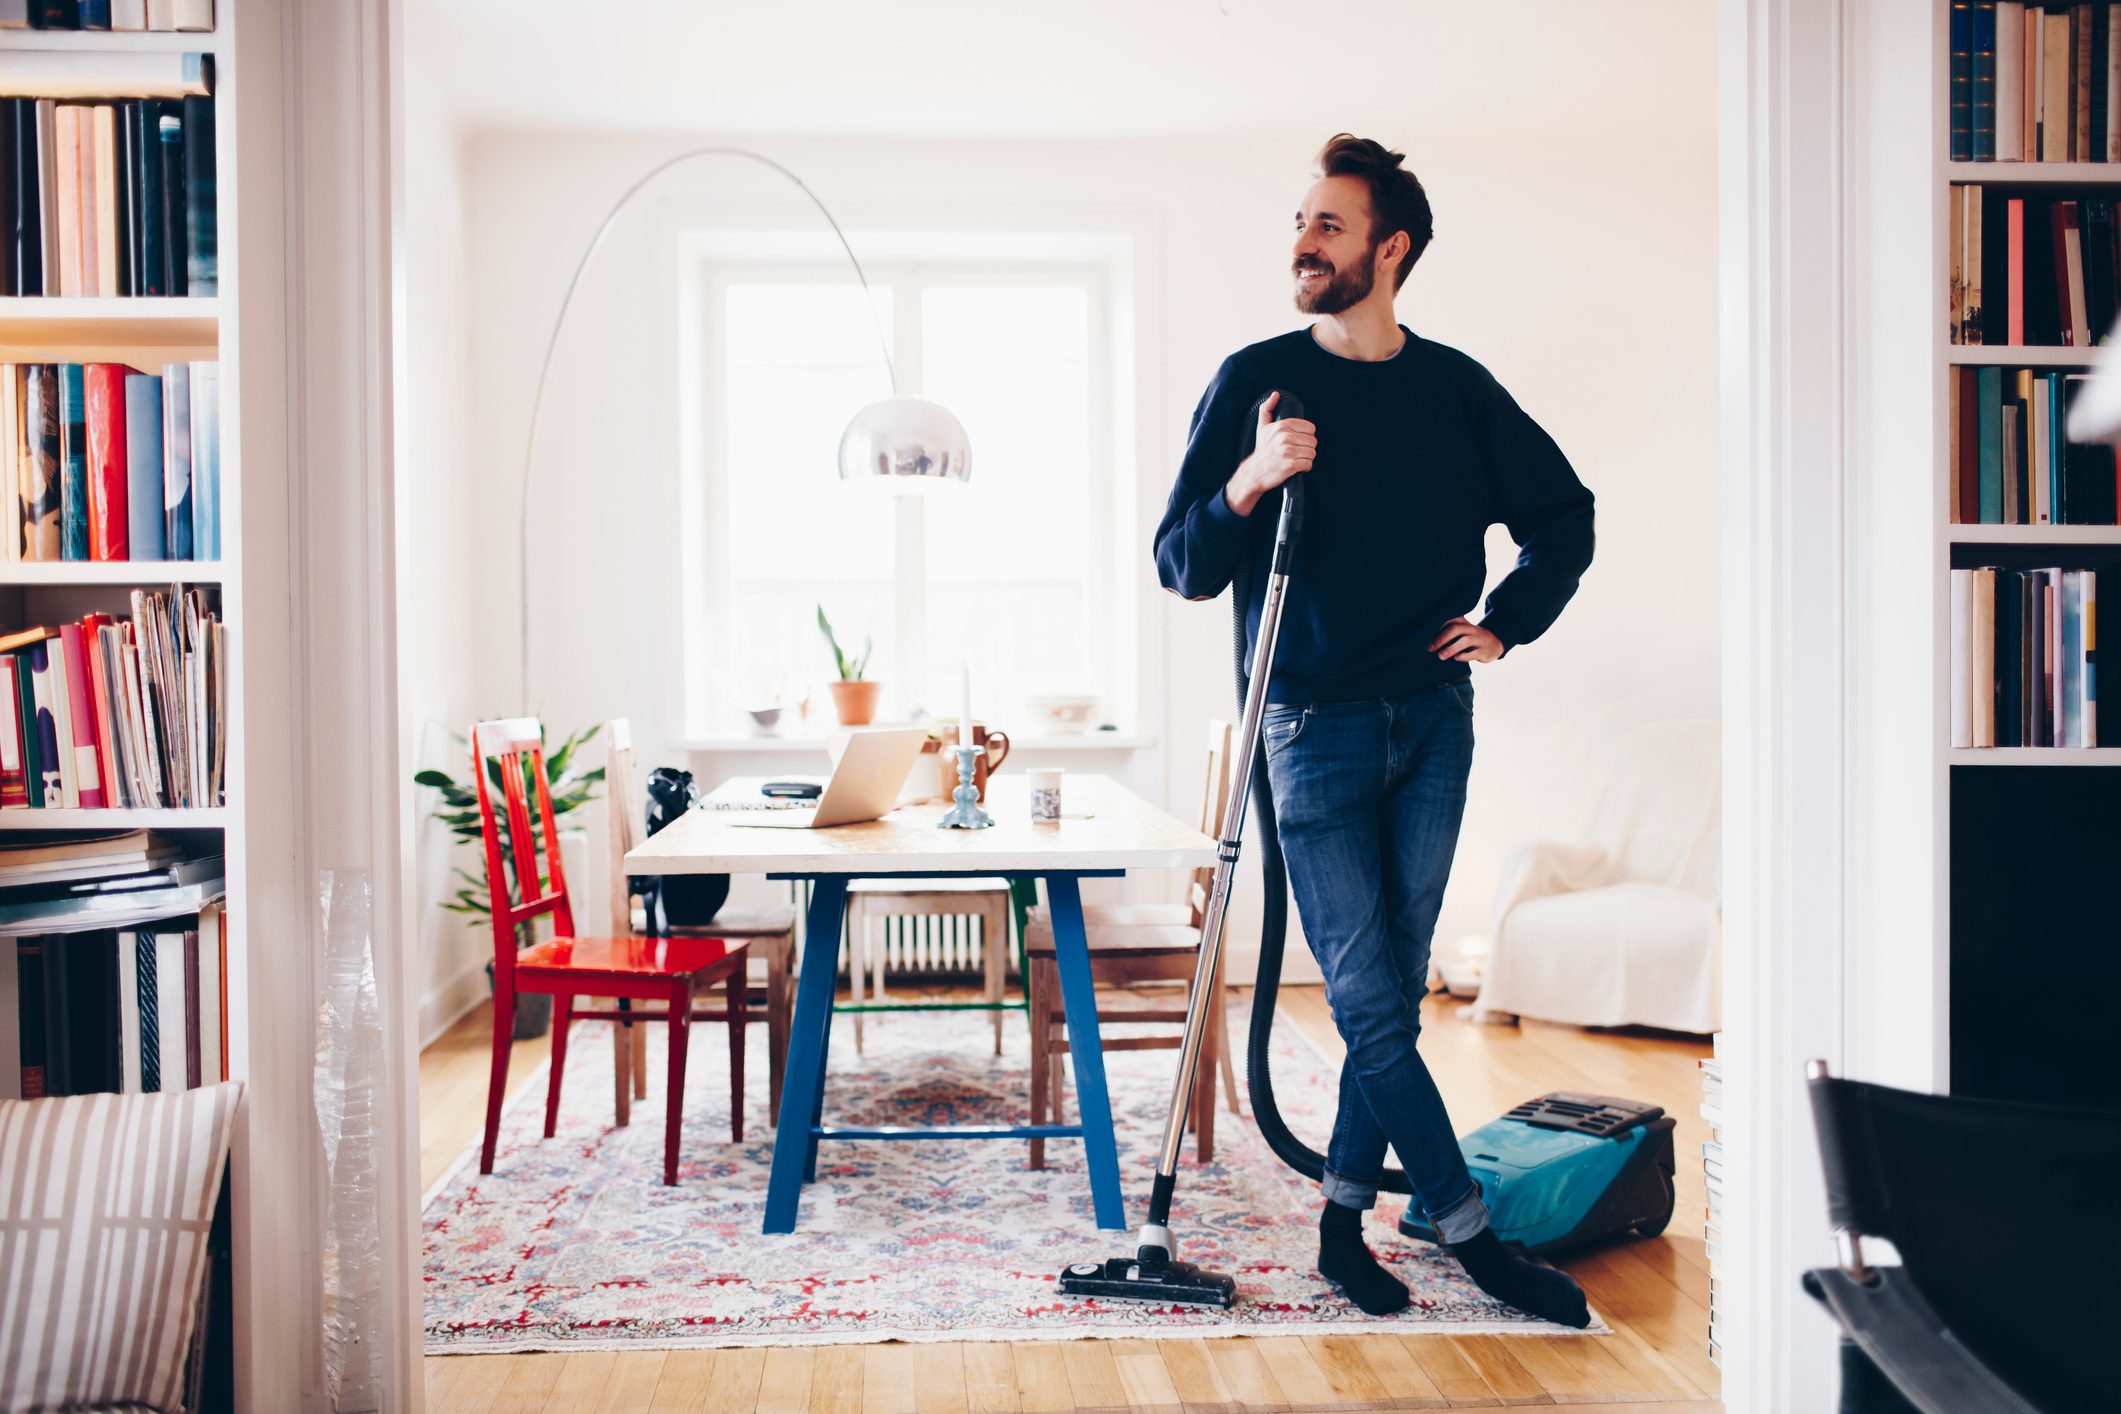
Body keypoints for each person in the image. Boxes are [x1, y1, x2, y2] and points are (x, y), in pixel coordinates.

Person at [1152, 133, 1597, 1327]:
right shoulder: (1261, 380)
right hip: (1309, 728)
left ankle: (1343, 1228)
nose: (1304, 241)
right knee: (1368, 1000)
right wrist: (1248, 479)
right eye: (1301, 222)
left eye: (1330, 224)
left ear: (1390, 249)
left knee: (1387, 988)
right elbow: (1181, 565)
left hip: (1432, 720)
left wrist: (1506, 623)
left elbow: (1565, 517)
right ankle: (1469, 1233)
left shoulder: (1456, 388)